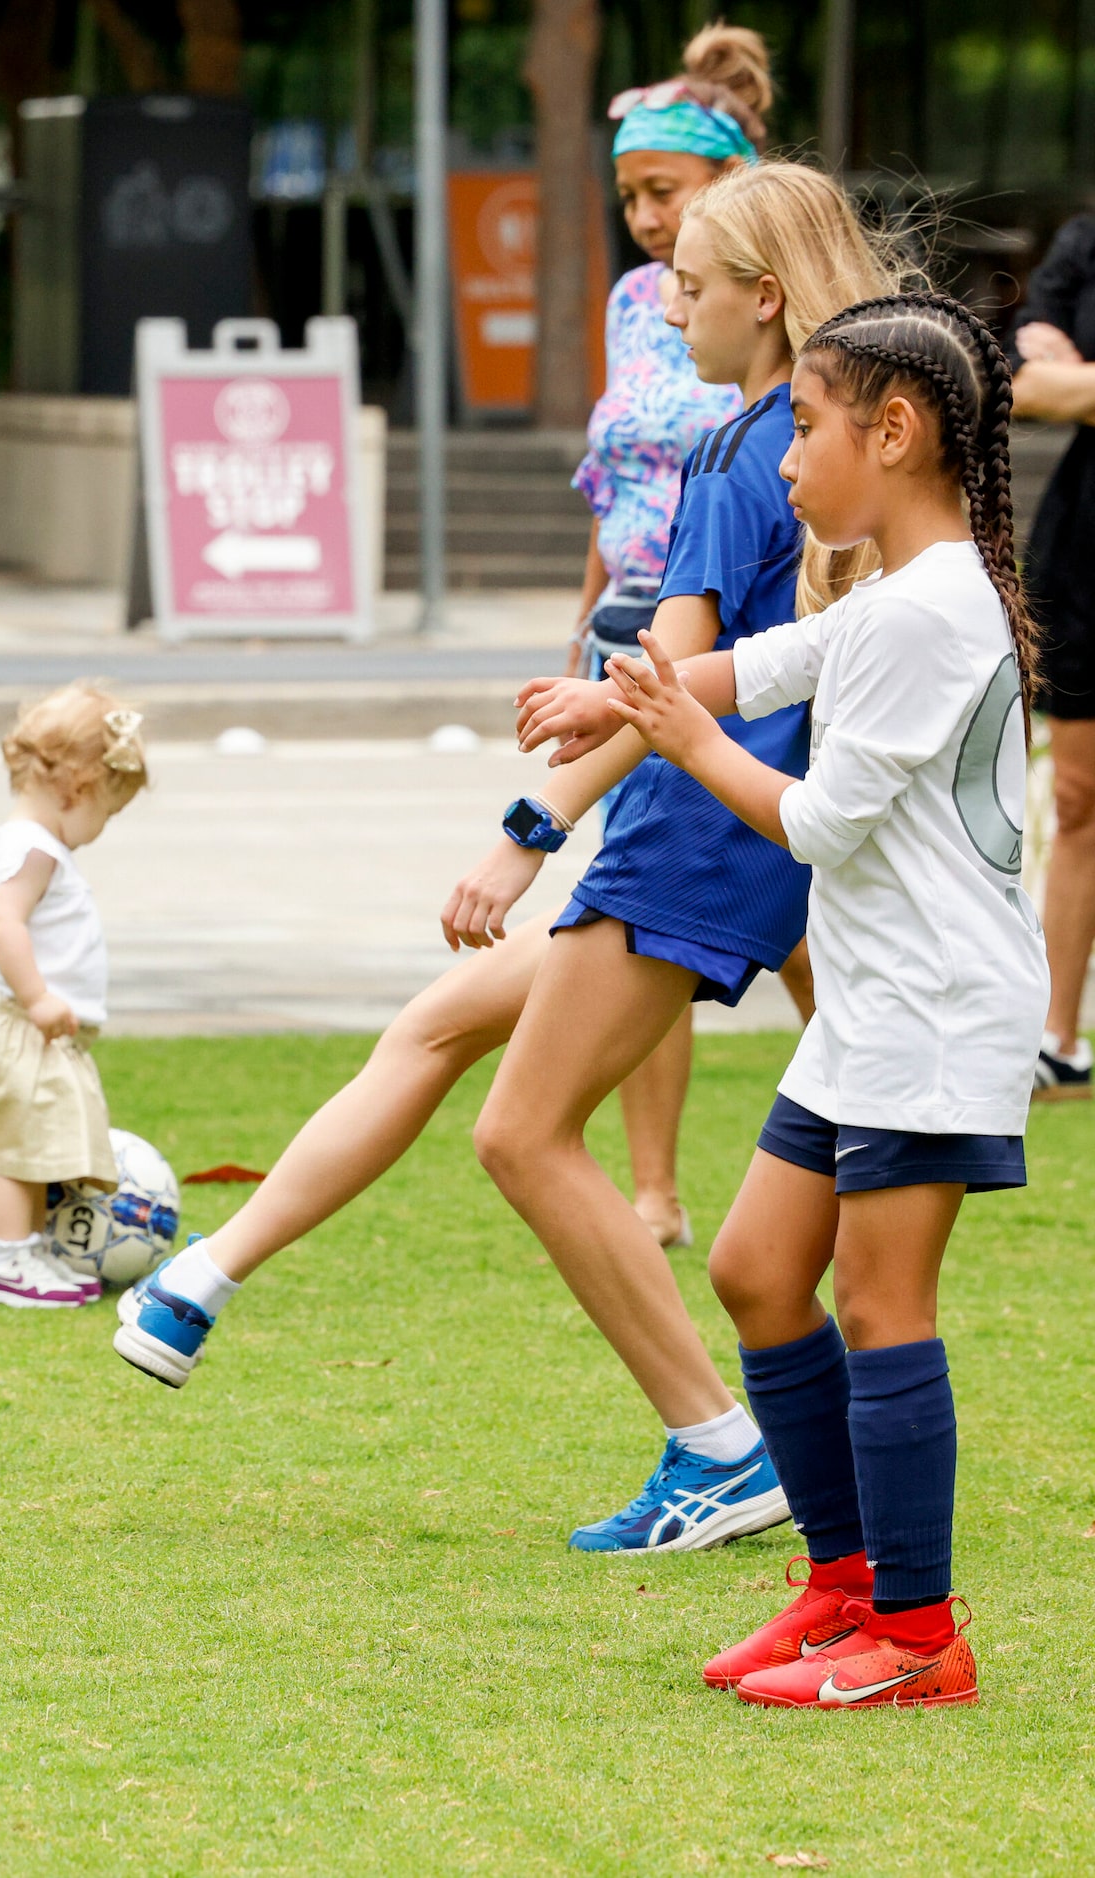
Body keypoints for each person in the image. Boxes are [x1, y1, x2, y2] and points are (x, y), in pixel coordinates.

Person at [113, 162, 899, 1561]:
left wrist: (523, 832)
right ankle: (198, 1280)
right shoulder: (804, 436)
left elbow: (672, 690)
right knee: (436, 1025)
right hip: (714, 837)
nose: (665, 301)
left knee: (522, 1135)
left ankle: (723, 1444)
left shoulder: (742, 457)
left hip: (689, 845)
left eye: (694, 284)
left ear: (765, 300)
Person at [526, 292, 1040, 1707]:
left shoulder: (928, 613)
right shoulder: (893, 596)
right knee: (759, 1269)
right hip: (876, 1009)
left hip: (933, 1010)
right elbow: (765, 662)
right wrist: (620, 696)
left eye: (807, 429)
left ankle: (921, 1635)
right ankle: (839, 1588)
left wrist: (679, 737)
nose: (789, 459)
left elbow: (814, 821)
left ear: (898, 429)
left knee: (882, 1304)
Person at [571, 23, 770, 1248]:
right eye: (631, 196)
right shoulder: (631, 305)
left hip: (736, 634)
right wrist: (576, 635)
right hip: (632, 629)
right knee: (648, 912)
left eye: (664, 192)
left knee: (783, 896)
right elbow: (609, 480)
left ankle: (867, 1131)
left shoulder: (759, 316)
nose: (645, 219)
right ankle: (653, 1188)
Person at [0, 684, 148, 1308]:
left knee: (40, 1145)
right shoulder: (29, 846)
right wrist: (38, 998)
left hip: (37, 1025)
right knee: (17, 1149)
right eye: (106, 813)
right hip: (22, 1021)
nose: (100, 830)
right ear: (75, 788)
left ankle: (29, 1248)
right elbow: (5, 923)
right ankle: (5, 1263)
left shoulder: (35, 844)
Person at [1009, 213, 1095, 1094]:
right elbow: (1021, 385)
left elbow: (1055, 378)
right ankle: (1059, 1040)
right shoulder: (1083, 244)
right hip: (1084, 550)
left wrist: (1077, 376)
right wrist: (1055, 380)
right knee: (1075, 799)